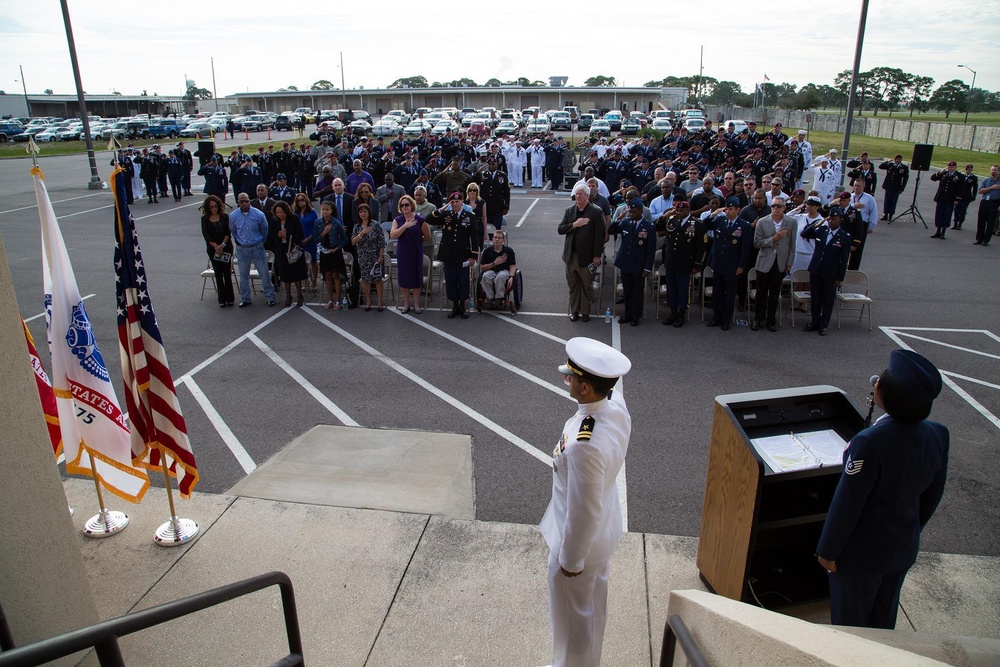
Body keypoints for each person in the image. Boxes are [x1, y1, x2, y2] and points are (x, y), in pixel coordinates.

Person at [817, 349, 948, 629]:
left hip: (861, 555)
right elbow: (931, 496)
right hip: (902, 547)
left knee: (850, 626)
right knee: (883, 622)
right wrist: (908, 529)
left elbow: (848, 502)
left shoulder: (870, 442)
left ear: (888, 396)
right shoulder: (938, 434)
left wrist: (827, 550)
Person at [541, 337, 632, 667]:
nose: (567, 379)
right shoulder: (616, 405)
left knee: (572, 625)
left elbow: (582, 511)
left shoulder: (585, 443)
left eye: (571, 377)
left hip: (578, 546)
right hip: (602, 536)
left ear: (585, 389)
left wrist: (570, 561)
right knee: (592, 613)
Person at [427, 191, 481, 319]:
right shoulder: (445, 215)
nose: (455, 204)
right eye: (453, 202)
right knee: (450, 280)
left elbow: (475, 237)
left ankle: (462, 306)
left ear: (462, 202)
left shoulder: (469, 216)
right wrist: (441, 209)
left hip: (463, 254)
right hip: (449, 254)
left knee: (463, 281)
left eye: (457, 201)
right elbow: (428, 219)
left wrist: (473, 256)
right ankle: (454, 306)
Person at [558, 182, 606, 322]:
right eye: (576, 194)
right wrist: (574, 225)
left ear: (587, 196)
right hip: (571, 256)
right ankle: (574, 311)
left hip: (587, 257)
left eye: (580, 194)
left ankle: (585, 312)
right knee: (573, 285)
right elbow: (560, 229)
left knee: (586, 285)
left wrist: (597, 255)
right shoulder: (569, 211)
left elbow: (600, 236)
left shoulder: (596, 212)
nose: (577, 197)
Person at [800, 206, 852, 336]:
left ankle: (824, 325)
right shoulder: (822, 230)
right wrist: (821, 221)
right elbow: (804, 233)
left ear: (840, 219)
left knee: (828, 300)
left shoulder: (844, 236)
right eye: (830, 219)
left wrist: (840, 277)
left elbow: (844, 259)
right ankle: (814, 321)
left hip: (831, 273)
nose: (831, 221)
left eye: (834, 219)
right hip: (816, 270)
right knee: (815, 298)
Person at [702, 197, 752, 331]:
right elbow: (705, 224)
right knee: (717, 293)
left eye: (731, 209)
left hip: (732, 265)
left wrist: (741, 265)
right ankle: (717, 317)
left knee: (729, 294)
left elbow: (745, 248)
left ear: (738, 210)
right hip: (718, 262)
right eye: (727, 209)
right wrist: (714, 213)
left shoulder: (744, 226)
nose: (728, 212)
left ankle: (726, 320)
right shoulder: (720, 220)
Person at [607, 198, 656, 326]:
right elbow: (611, 230)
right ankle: (627, 314)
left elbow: (651, 250)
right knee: (627, 290)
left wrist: (647, 268)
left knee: (637, 291)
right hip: (626, 262)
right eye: (630, 212)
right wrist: (619, 217)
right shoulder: (626, 222)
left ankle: (636, 316)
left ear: (641, 211)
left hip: (639, 264)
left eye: (634, 212)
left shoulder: (649, 227)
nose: (631, 214)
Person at [752, 195, 797, 332]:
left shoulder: (791, 222)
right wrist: (773, 239)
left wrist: (789, 263)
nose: (775, 208)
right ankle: (758, 319)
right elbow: (757, 243)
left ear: (784, 207)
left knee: (774, 293)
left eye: (779, 206)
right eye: (773, 206)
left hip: (780, 262)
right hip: (764, 262)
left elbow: (792, 245)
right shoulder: (762, 222)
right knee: (761, 292)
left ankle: (771, 320)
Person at [658, 201, 705, 327]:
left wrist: (697, 265)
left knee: (683, 290)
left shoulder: (697, 224)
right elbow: (657, 226)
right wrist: (665, 216)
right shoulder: (672, 221)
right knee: (671, 289)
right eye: (677, 211)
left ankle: (681, 314)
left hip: (685, 263)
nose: (679, 213)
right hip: (671, 262)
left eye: (682, 211)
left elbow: (701, 246)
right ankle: (673, 312)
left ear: (688, 210)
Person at [229, 193, 277, 308]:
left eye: (246, 201)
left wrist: (260, 242)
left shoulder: (258, 214)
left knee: (264, 273)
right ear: (238, 202)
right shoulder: (233, 216)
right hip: (242, 249)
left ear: (249, 201)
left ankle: (270, 297)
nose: (244, 203)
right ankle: (245, 298)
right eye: (242, 201)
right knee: (243, 275)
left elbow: (264, 230)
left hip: (257, 247)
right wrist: (240, 242)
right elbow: (233, 231)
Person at [390, 195, 431, 314]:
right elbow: (393, 235)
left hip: (415, 252)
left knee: (416, 278)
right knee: (404, 278)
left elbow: (427, 236)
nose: (404, 207)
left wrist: (418, 243)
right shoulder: (397, 220)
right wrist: (405, 226)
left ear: (411, 205)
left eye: (406, 204)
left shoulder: (420, 220)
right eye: (402, 205)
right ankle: (406, 303)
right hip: (403, 251)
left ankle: (416, 304)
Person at [270, 201, 307, 307]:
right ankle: (288, 296)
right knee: (285, 274)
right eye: (277, 212)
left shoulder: (294, 218)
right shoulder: (274, 221)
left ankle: (299, 295)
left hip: (294, 250)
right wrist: (278, 236)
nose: (280, 214)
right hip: (282, 250)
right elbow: (271, 236)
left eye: (282, 212)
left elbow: (300, 234)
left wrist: (287, 236)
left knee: (297, 273)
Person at [353, 201, 387, 311]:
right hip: (363, 257)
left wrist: (381, 256)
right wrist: (362, 233)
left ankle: (380, 301)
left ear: (369, 212)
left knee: (378, 279)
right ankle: (368, 300)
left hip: (375, 256)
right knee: (366, 280)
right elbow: (353, 242)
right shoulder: (357, 227)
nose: (363, 214)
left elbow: (381, 242)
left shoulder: (375, 225)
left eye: (365, 211)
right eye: (361, 212)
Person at [200, 195, 234, 308]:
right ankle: (221, 299)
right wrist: (216, 247)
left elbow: (228, 233)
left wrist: (222, 245)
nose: (214, 209)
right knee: (218, 274)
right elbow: (206, 236)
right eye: (211, 207)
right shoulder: (204, 219)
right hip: (213, 249)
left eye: (215, 206)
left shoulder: (224, 217)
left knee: (227, 273)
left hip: (226, 248)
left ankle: (230, 298)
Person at [316, 200, 349, 310]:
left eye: (327, 210)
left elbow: (344, 239)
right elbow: (316, 239)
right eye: (323, 209)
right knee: (327, 276)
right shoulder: (318, 222)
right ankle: (330, 299)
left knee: (336, 275)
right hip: (324, 251)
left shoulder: (336, 222)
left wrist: (336, 249)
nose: (324, 212)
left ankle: (338, 300)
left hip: (335, 252)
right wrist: (324, 233)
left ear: (331, 211)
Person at [478, 229, 516, 307]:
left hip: (504, 271)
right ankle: (490, 297)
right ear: (492, 239)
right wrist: (495, 263)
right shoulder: (487, 251)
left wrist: (512, 277)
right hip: (491, 270)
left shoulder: (509, 251)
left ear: (503, 240)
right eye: (495, 237)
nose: (497, 239)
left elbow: (512, 266)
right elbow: (482, 268)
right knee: (485, 276)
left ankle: (499, 298)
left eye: (499, 238)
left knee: (500, 276)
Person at [846, 179, 878, 270]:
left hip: (862, 225)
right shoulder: (850, 197)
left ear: (863, 187)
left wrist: (871, 226)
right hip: (850, 224)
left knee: (857, 248)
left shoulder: (869, 198)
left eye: (858, 186)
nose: (856, 188)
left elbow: (873, 213)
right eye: (855, 185)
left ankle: (853, 269)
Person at [930, 161, 963, 239]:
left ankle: (943, 232)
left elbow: (960, 189)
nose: (950, 169)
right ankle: (937, 231)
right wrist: (939, 173)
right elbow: (933, 178)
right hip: (941, 197)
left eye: (952, 167)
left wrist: (957, 199)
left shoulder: (959, 176)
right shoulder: (944, 173)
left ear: (955, 167)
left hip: (950, 198)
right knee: (939, 214)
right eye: (949, 167)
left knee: (946, 215)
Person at [477, 156, 510, 233]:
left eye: (493, 163)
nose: (491, 165)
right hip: (486, 206)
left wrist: (506, 206)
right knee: (486, 228)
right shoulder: (483, 174)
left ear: (497, 164)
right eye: (490, 164)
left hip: (497, 206)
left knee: (496, 228)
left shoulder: (502, 176)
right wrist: (477, 172)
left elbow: (506, 192)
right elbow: (472, 182)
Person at [293, 193, 319, 292]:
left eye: (302, 200)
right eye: (298, 200)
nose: (300, 202)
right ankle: (305, 280)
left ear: (306, 200)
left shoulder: (312, 212)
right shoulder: (295, 213)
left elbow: (315, 225)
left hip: (311, 239)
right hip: (300, 240)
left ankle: (314, 281)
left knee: (313, 260)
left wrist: (309, 237)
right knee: (303, 261)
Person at [878, 155, 909, 221]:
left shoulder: (904, 167)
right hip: (888, 186)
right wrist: (886, 162)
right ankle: (885, 214)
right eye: (897, 159)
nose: (898, 161)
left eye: (900, 159)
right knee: (887, 200)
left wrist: (902, 188)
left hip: (896, 187)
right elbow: (880, 167)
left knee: (893, 201)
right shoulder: (890, 165)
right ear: (895, 159)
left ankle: (891, 215)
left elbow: (905, 179)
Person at [974, 164, 1000, 246]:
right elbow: (980, 191)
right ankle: (979, 239)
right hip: (985, 202)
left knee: (991, 222)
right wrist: (991, 188)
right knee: (981, 221)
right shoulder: (986, 180)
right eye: (992, 170)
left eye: (995, 170)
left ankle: (986, 239)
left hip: (995, 203)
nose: (993, 171)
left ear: (999, 172)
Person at [952, 164, 978, 231]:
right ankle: (955, 223)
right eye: (967, 169)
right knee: (956, 210)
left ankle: (960, 223)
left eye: (970, 170)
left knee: (963, 210)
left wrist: (973, 197)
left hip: (966, 197)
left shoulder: (973, 178)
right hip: (959, 196)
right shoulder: (961, 176)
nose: (968, 171)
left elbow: (975, 188)